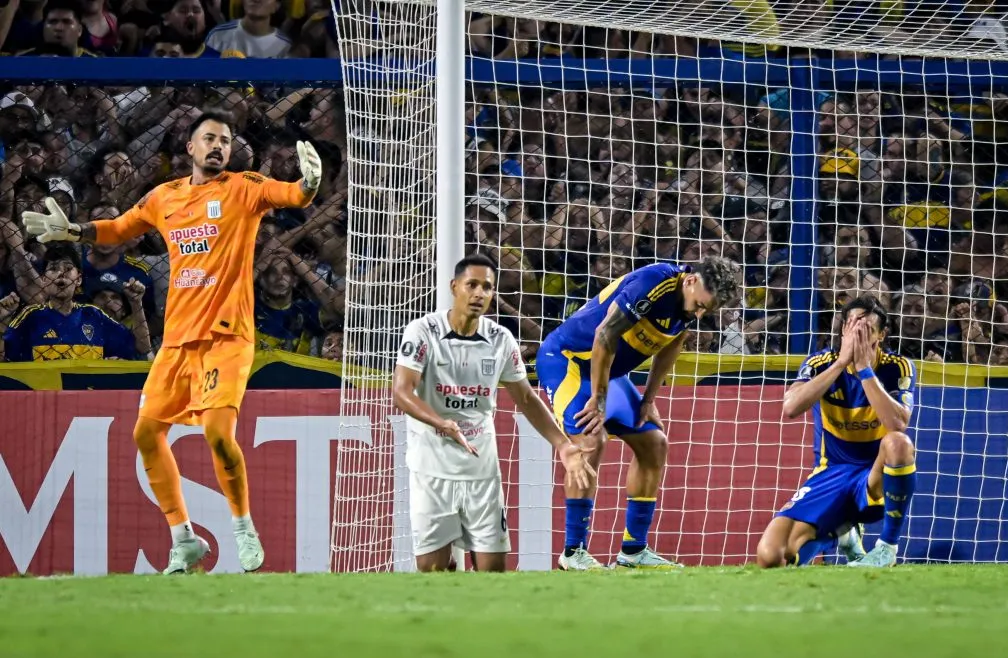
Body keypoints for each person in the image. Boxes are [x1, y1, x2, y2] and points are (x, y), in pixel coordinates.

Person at [22, 110, 323, 574]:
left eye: (225, 139)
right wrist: (73, 231)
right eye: (210, 138)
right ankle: (183, 539)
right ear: (190, 147)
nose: (218, 146)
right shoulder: (165, 196)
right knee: (145, 432)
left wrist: (310, 183)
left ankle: (243, 528)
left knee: (218, 435)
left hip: (226, 337)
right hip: (178, 340)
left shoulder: (243, 187)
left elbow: (291, 195)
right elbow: (120, 229)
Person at [392, 253, 594, 573]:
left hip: (482, 472)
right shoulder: (423, 331)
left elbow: (526, 399)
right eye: (471, 285)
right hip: (432, 470)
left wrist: (564, 445)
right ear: (454, 287)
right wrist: (442, 423)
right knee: (432, 571)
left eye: (487, 287)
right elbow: (402, 392)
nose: (479, 294)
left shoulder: (501, 339)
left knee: (494, 573)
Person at [537, 256, 741, 570]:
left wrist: (648, 399)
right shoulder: (652, 285)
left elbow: (673, 345)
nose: (699, 314)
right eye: (699, 305)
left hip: (609, 374)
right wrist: (599, 399)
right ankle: (572, 552)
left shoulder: (689, 302)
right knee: (591, 440)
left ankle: (632, 553)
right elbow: (605, 334)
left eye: (706, 310)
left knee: (654, 443)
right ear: (690, 281)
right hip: (569, 362)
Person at [756, 295, 917, 569]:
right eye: (852, 325)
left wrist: (865, 370)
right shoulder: (821, 362)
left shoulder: (896, 366)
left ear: (881, 335)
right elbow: (791, 407)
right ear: (843, 329)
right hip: (831, 472)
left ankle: (886, 548)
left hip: (873, 474)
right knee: (771, 557)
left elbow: (897, 423)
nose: (857, 333)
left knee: (898, 443)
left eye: (866, 329)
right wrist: (841, 363)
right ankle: (841, 530)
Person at [0, 244, 139, 362]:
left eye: (68, 269)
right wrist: (1, 321)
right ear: (43, 280)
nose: (61, 273)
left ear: (78, 279)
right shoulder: (30, 316)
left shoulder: (95, 315)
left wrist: (136, 303)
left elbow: (141, 346)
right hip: (44, 393)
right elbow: (3, 358)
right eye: (53, 269)